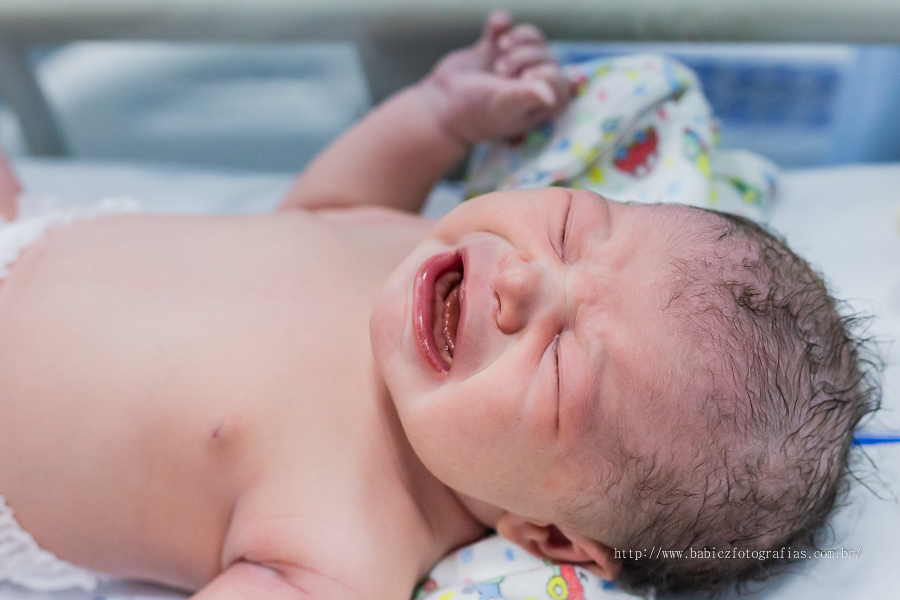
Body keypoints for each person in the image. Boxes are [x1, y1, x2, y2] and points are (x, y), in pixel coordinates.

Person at [0, 10, 876, 598]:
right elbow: (321, 213)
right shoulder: (416, 251)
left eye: (564, 361)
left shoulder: (345, 540)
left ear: (552, 538)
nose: (524, 279)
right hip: (29, 232)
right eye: (570, 225)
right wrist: (439, 118)